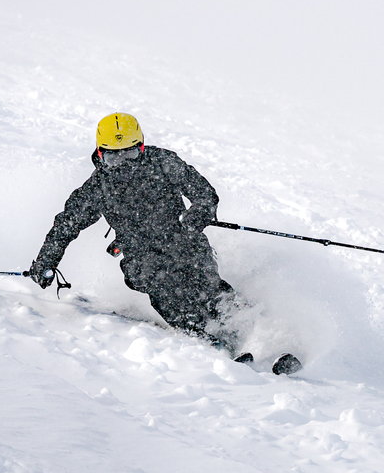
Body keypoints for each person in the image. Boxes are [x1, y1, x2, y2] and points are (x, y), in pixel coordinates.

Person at [29, 112, 238, 348]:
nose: (124, 163)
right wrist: (46, 260)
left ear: (141, 146)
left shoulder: (163, 162)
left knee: (205, 283)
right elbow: (65, 225)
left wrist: (197, 215)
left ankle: (249, 328)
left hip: (182, 239)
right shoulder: (98, 187)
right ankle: (201, 334)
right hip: (141, 254)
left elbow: (204, 193)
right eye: (113, 158)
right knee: (162, 284)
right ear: (100, 154)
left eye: (130, 153)